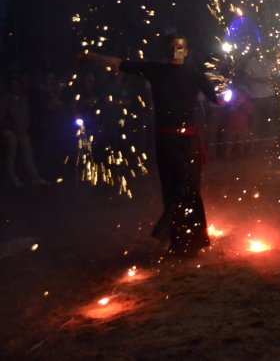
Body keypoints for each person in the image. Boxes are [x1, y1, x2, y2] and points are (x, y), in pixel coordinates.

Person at [79, 33, 218, 256]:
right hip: (166, 140)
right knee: (174, 188)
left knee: (191, 188)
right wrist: (91, 56)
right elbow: (119, 63)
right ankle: (175, 238)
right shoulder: (155, 70)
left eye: (180, 46)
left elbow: (217, 96)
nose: (176, 50)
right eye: (172, 47)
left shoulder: (195, 74)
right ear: (166, 50)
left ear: (187, 50)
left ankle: (190, 240)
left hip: (189, 140)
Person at [1, 75, 49, 187]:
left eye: (17, 85)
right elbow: (2, 117)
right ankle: (13, 178)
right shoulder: (5, 99)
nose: (15, 87)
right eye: (12, 85)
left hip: (22, 130)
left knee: (28, 153)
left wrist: (24, 128)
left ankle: (34, 178)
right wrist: (12, 128)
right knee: (11, 152)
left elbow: (26, 116)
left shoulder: (24, 99)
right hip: (9, 130)